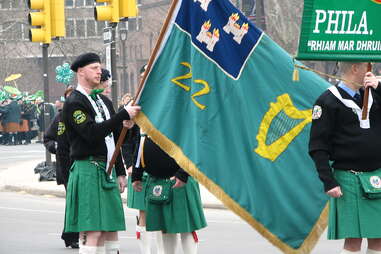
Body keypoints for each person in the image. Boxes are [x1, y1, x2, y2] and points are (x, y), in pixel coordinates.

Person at [62, 52, 141, 254]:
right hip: (87, 168)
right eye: (94, 68)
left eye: (99, 67)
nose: (99, 71)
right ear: (80, 72)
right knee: (93, 230)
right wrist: (122, 115)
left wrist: (121, 171)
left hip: (107, 170)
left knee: (110, 229)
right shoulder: (74, 102)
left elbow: (115, 138)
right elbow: (91, 134)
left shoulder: (103, 102)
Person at [309, 62, 381, 254]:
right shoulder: (327, 100)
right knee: (353, 240)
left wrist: (379, 87)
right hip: (348, 177)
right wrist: (328, 181)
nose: (371, 73)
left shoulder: (374, 94)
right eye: (368, 68)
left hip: (376, 176)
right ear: (355, 69)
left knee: (378, 238)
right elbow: (318, 146)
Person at [131, 134, 207, 254]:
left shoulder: (181, 118)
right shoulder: (149, 119)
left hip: (181, 180)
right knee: (165, 228)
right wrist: (136, 174)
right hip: (158, 179)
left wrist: (183, 173)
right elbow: (141, 142)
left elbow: (193, 144)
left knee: (186, 228)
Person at [44, 86, 79, 249]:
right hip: (65, 166)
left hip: (81, 162)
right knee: (73, 201)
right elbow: (48, 139)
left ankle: (77, 234)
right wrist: (56, 147)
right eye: (68, 97)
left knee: (81, 202)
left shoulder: (82, 116)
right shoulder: (59, 118)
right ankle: (71, 236)